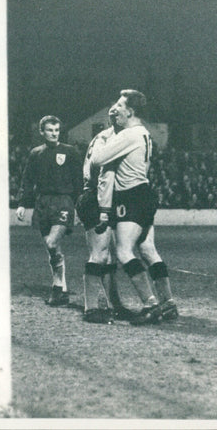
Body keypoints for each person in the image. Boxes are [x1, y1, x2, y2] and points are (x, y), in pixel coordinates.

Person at [89, 89, 177, 325]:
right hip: (145, 193)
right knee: (148, 250)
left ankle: (151, 304)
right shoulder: (144, 133)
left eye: (120, 104)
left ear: (131, 111)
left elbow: (97, 160)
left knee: (124, 251)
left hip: (131, 196)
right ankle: (168, 303)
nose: (115, 108)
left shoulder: (130, 135)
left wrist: (101, 139)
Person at [15, 115, 83, 306]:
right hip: (43, 203)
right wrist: (22, 203)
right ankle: (62, 288)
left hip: (64, 201)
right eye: (50, 130)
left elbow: (79, 181)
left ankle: (56, 287)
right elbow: (27, 180)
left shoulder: (70, 152)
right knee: (51, 248)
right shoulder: (36, 153)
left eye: (56, 130)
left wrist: (79, 206)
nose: (54, 133)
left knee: (53, 242)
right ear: (42, 132)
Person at [76, 119, 129, 324]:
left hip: (98, 197)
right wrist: (105, 210)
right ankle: (91, 308)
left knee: (109, 257)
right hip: (96, 199)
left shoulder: (104, 137)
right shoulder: (109, 140)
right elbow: (103, 175)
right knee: (99, 254)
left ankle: (114, 305)